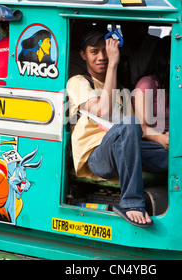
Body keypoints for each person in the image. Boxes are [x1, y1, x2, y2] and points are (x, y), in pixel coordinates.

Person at [66, 25, 167, 227]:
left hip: (123, 151)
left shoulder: (120, 89)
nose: (101, 56)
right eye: (94, 52)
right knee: (128, 123)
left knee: (174, 152)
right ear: (83, 55)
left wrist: (161, 139)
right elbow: (103, 110)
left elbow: (135, 131)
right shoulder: (79, 82)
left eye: (105, 51)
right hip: (97, 156)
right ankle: (131, 203)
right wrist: (113, 64)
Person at [132, 36, 170, 151]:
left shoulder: (178, 85)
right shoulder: (147, 84)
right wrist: (162, 139)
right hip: (153, 144)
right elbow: (141, 127)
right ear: (169, 60)